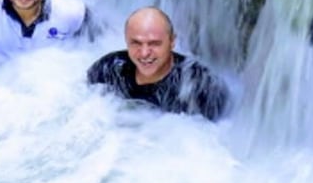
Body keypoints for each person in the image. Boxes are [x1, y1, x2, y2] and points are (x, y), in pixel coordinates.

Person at [87, 7, 229, 121]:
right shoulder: (109, 69)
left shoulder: (199, 87)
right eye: (136, 43)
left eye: (154, 44)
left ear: (172, 42)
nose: (144, 53)